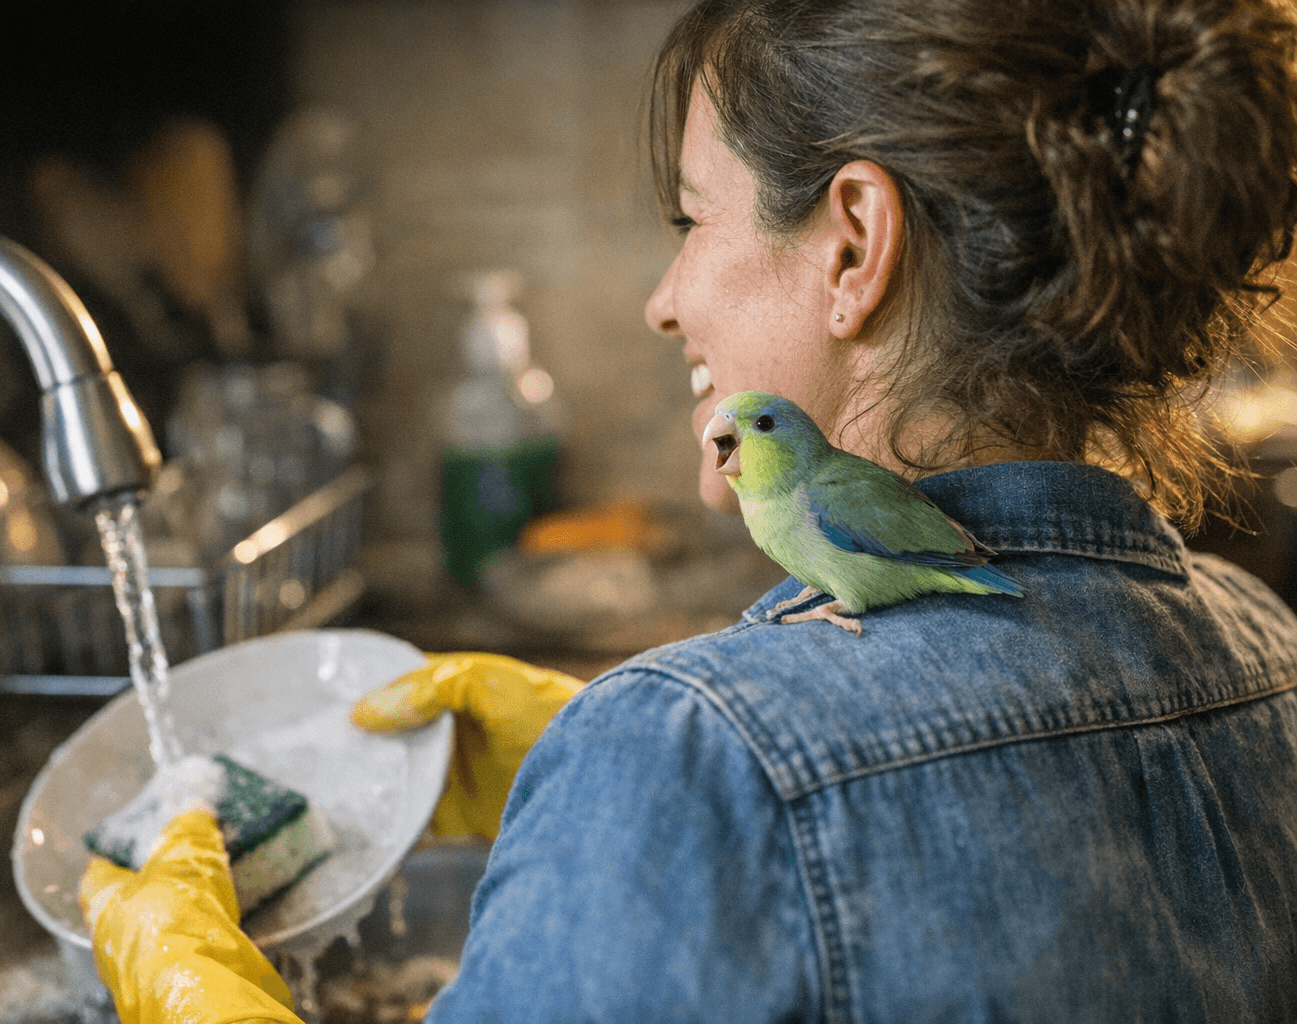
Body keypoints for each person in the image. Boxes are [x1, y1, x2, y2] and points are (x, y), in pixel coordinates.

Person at [78, 0, 1297, 1019]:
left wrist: (679, 768)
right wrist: (634, 794)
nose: (665, 301)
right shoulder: (1273, 651)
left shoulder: (688, 751)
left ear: (854, 245)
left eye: (692, 218)